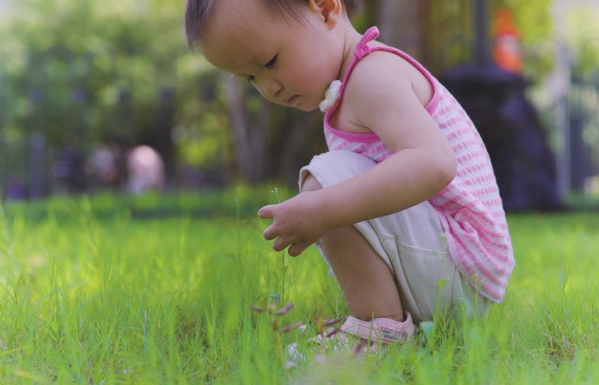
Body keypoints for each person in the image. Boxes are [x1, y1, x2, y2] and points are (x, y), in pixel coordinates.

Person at [185, 0, 514, 347]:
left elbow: (434, 163)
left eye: (270, 62)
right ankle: (389, 326)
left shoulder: (373, 76)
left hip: (464, 266)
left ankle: (377, 336)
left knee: (326, 178)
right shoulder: (352, 87)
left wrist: (324, 206)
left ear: (326, 9)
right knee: (331, 182)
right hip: (458, 269)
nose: (269, 88)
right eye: (252, 78)